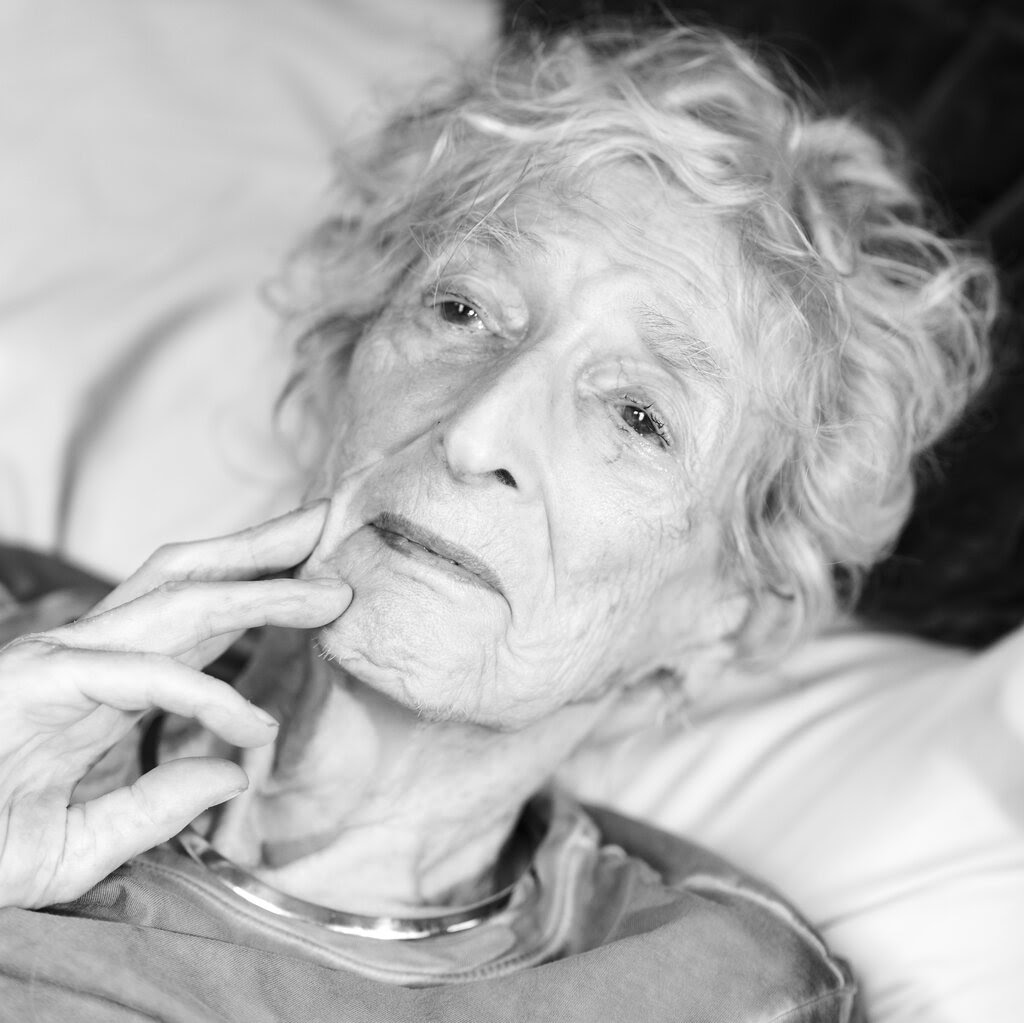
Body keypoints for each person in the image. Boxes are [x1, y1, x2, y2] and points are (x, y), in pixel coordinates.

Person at [0, 22, 994, 1021]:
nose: (475, 432)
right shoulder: (21, 637)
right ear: (340, 366)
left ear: (725, 612)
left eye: (638, 417)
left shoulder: (704, 988)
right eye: (462, 311)